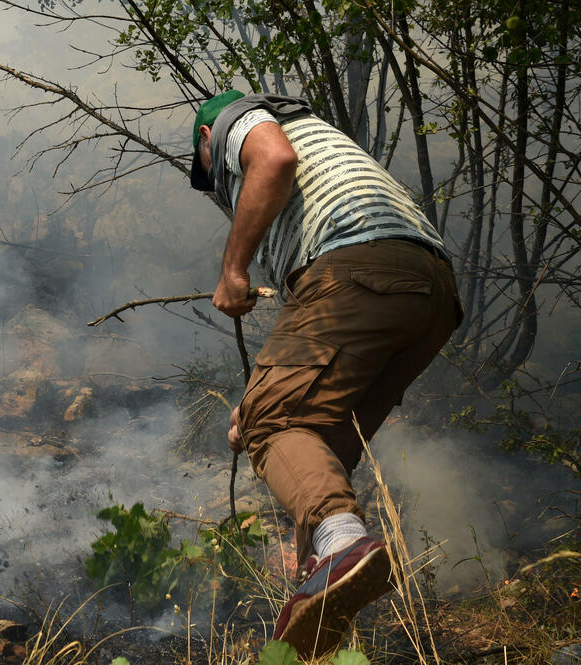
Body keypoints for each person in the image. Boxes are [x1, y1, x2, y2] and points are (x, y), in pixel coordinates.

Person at [189, 90, 461, 657]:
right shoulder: (325, 146)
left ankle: (338, 548)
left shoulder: (239, 121)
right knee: (320, 443)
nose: (216, 189)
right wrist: (261, 400)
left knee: (272, 424)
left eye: (207, 173)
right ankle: (320, 588)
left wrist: (233, 269)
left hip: (359, 267)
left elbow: (274, 161)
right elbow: (308, 356)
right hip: (429, 291)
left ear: (206, 140)